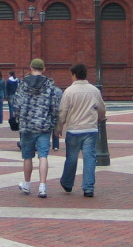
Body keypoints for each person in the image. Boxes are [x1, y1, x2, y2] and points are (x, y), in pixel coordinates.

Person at [56, 63, 106, 198]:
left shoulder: (69, 91)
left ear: (74, 75)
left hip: (74, 129)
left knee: (71, 157)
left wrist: (59, 126)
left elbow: (63, 111)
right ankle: (88, 187)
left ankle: (67, 182)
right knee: (89, 158)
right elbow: (102, 108)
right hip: (90, 128)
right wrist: (99, 119)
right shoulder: (94, 90)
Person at [13, 58, 60, 198]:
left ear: (31, 68)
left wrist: (18, 118)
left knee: (27, 157)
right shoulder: (50, 85)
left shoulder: (22, 84)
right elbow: (55, 106)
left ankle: (27, 184)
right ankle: (42, 186)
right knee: (43, 156)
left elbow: (17, 104)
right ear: (44, 69)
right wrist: (54, 121)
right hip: (44, 126)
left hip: (27, 126)